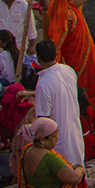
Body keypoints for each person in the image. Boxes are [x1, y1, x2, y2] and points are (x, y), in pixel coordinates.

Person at [43, 0, 95, 131]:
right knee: (80, 80)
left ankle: (91, 104)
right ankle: (83, 108)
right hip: (75, 53)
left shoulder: (70, 5)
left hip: (86, 48)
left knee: (92, 74)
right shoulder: (61, 13)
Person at [35, 38, 86, 166]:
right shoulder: (68, 71)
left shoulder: (43, 84)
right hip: (75, 136)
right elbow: (61, 93)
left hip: (58, 144)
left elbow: (43, 122)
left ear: (38, 59)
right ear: (56, 53)